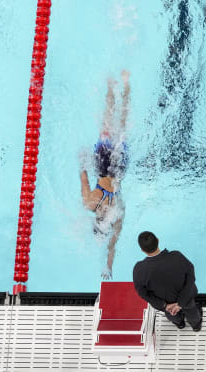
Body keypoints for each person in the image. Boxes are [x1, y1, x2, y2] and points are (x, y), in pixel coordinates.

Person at [80, 70, 130, 280]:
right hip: (103, 163)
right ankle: (112, 86)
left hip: (118, 168)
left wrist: (109, 267)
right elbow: (83, 176)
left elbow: (112, 246)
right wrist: (82, 160)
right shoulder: (90, 204)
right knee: (108, 122)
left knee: (123, 125)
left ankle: (126, 85)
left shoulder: (117, 216)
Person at [132, 231, 202, 332]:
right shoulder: (176, 256)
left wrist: (164, 305)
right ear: (158, 241)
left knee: (172, 315)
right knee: (192, 311)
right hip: (186, 298)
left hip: (166, 304)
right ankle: (196, 326)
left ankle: (180, 324)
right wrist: (180, 303)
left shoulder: (139, 269)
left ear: (142, 250)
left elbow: (142, 292)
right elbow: (190, 276)